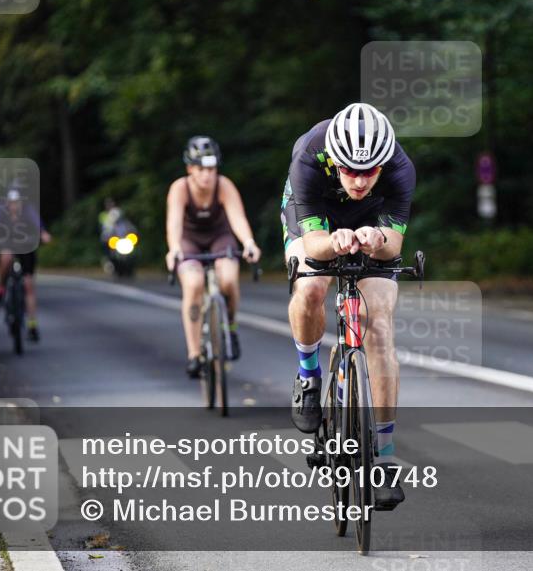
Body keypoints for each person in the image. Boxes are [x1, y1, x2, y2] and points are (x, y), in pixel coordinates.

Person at [280, 102, 415, 510]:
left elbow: (393, 245)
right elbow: (314, 244)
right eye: (350, 170)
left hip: (372, 219)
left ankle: (386, 457)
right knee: (311, 288)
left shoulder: (399, 168)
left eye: (368, 171)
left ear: (383, 165)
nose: (358, 180)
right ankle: (308, 375)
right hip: (315, 215)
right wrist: (334, 239)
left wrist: (375, 238)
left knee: (379, 326)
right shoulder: (308, 157)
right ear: (334, 160)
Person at [164, 136, 261, 378]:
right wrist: (174, 248)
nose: (207, 175)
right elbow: (174, 223)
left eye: (211, 168)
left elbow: (237, 218)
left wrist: (248, 243)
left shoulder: (224, 185)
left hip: (220, 236)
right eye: (201, 169)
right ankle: (194, 354)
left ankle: (230, 326)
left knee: (228, 278)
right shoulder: (180, 188)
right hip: (189, 240)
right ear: (190, 169)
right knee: (194, 284)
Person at [0, 189, 52, 341]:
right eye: (11, 203)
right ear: (7, 203)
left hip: (26, 247)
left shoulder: (28, 211)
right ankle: (0, 288)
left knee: (28, 285)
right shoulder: (2, 212)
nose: (14, 206)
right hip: (9, 244)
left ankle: (32, 325)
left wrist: (43, 233)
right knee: (5, 258)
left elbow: (38, 223)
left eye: (17, 202)